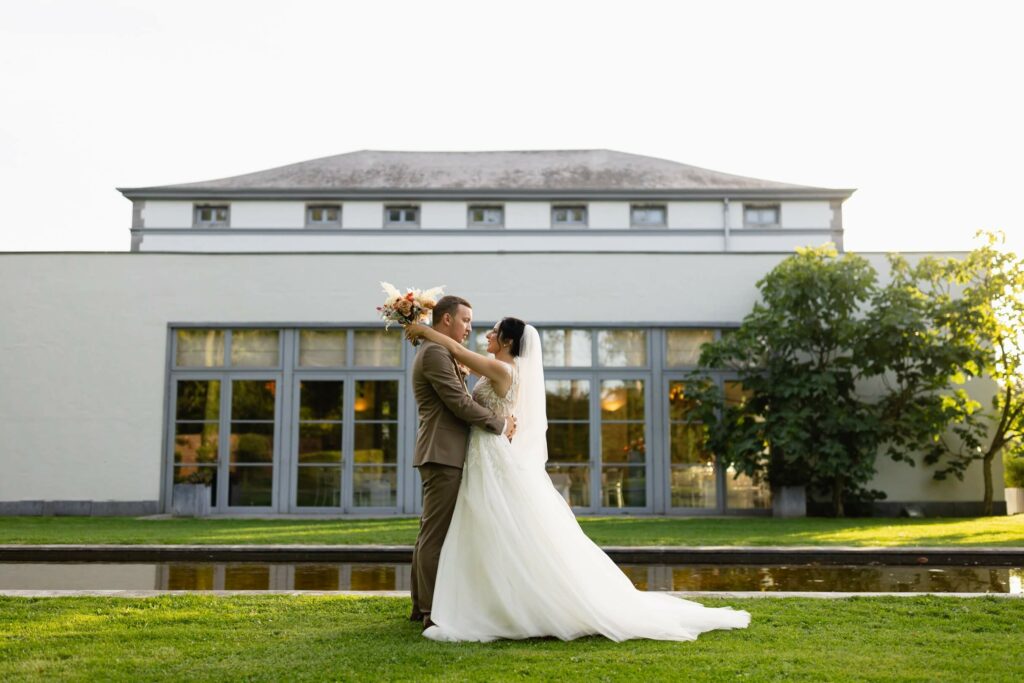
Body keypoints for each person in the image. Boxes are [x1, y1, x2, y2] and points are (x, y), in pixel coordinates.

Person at [404, 317, 751, 642]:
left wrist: (422, 329)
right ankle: (475, 597)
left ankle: (500, 602)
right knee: (483, 525)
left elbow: (461, 354)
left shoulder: (501, 367)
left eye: (494, 331)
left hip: (490, 453)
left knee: (496, 523)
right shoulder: (501, 367)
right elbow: (464, 369)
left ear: (508, 341)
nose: (487, 334)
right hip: (484, 453)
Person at [408, 295, 517, 631]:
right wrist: (500, 424)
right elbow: (458, 403)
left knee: (431, 532)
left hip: (448, 452)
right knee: (435, 536)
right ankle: (429, 611)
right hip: (443, 453)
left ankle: (421, 606)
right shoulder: (436, 353)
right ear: (445, 320)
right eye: (466, 320)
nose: (471, 327)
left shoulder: (440, 351)